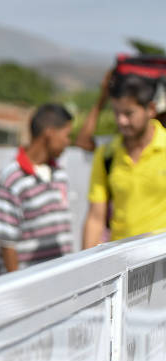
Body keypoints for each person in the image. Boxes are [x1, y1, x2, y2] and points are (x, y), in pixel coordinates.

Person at [0, 104, 74, 273]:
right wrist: (20, 287)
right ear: (49, 133)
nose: (68, 142)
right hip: (30, 286)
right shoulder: (12, 178)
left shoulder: (60, 174)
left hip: (59, 280)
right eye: (66, 135)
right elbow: (6, 242)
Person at [83, 73, 166, 248]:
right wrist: (84, 268)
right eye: (116, 112)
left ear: (151, 109)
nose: (121, 120)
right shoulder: (106, 154)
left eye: (129, 113)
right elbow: (96, 217)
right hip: (122, 261)